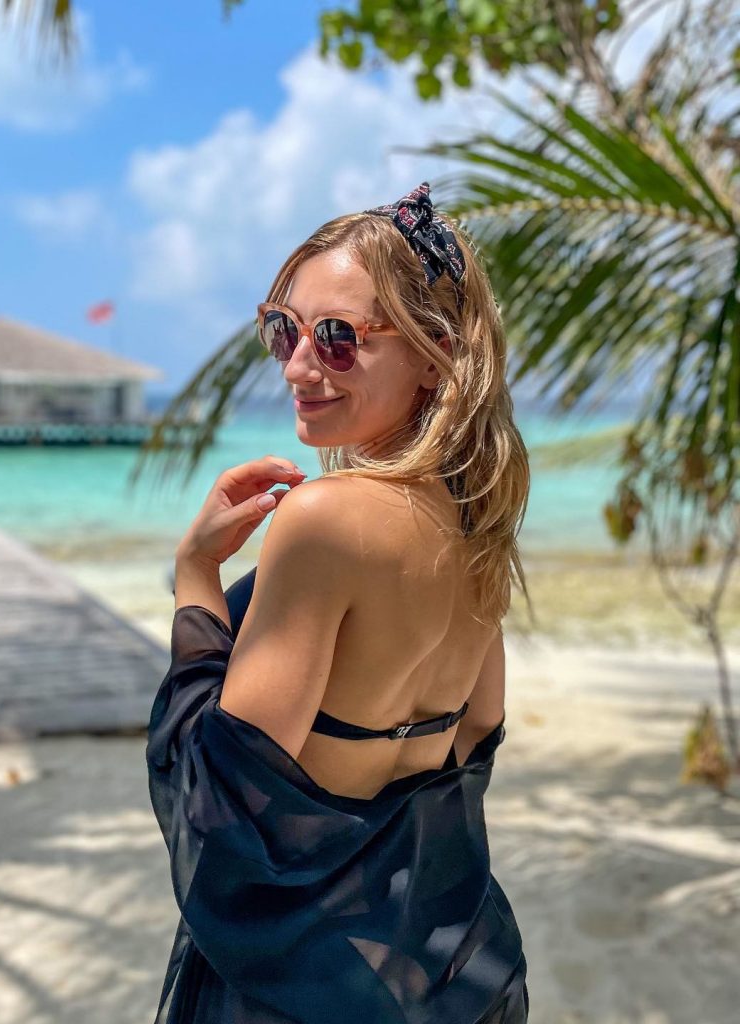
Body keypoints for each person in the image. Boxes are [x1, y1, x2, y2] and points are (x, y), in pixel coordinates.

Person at [146, 182, 532, 1023]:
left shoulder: (325, 521)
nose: (295, 365)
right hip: (430, 965)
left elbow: (222, 804)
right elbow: (472, 737)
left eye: (337, 339)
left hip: (299, 978)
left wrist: (196, 574)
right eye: (283, 330)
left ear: (434, 355)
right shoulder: (475, 527)